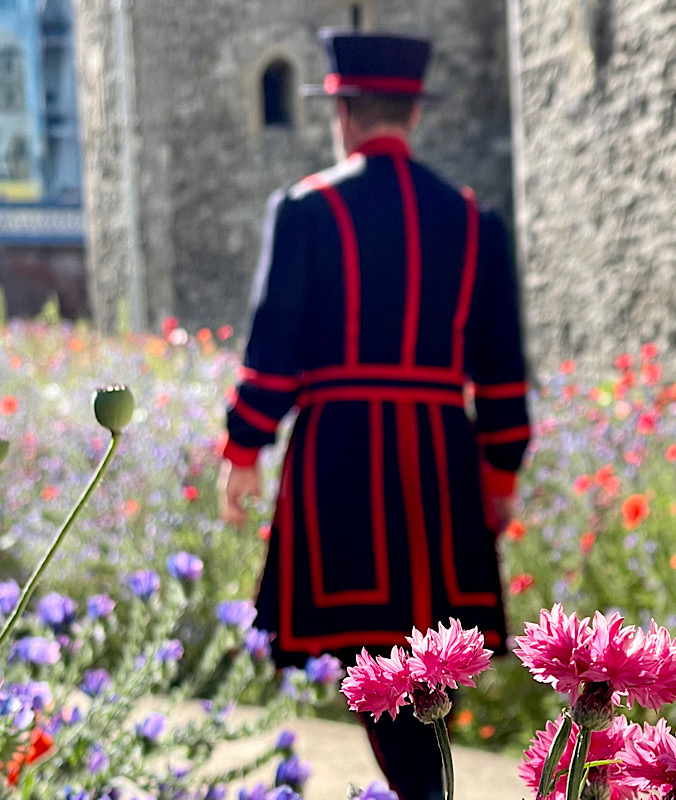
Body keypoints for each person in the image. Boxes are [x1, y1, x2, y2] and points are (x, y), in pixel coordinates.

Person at [218, 29, 531, 800]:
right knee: (426, 656)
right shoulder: (473, 219)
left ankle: (423, 791)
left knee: (374, 656)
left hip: (340, 458)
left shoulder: (305, 208)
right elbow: (502, 371)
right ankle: (426, 786)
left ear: (345, 113)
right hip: (440, 460)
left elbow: (274, 354)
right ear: (413, 114)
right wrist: (498, 471)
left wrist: (243, 451)